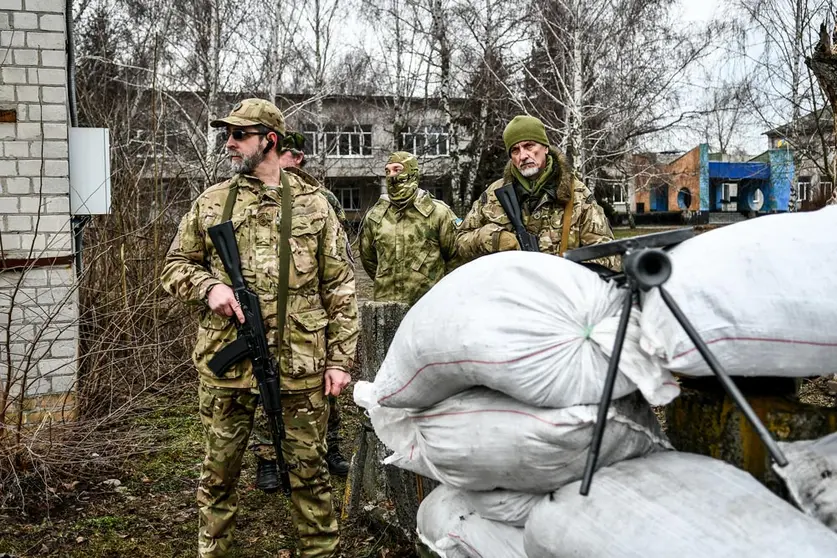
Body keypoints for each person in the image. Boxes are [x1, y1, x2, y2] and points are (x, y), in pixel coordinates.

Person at [161, 98, 357, 558]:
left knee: (309, 475)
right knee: (218, 474)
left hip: (300, 367)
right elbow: (173, 265)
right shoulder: (212, 203)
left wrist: (340, 360)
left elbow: (341, 285)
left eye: (239, 135)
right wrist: (209, 287)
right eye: (227, 135)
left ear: (269, 140)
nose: (229, 144)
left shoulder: (312, 204)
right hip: (226, 370)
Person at [249, 130, 351, 487]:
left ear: (297, 157)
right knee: (265, 385)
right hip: (263, 316)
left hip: (309, 320)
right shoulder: (250, 195)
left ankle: (331, 447)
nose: (281, 161)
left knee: (321, 392)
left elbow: (341, 265)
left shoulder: (320, 200)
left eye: (287, 155)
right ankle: (266, 458)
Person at [456, 115, 618, 269]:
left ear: (545, 148)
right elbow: (460, 242)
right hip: (508, 293)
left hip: (560, 292)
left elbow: (608, 255)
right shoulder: (494, 195)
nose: (523, 156)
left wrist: (570, 272)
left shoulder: (577, 194)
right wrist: (492, 238)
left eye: (529, 146)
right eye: (515, 150)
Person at [359, 151, 460, 306]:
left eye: (397, 169)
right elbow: (369, 260)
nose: (391, 176)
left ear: (412, 172)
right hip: (386, 307)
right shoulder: (375, 217)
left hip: (428, 305)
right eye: (387, 171)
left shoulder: (438, 213)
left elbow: (455, 258)